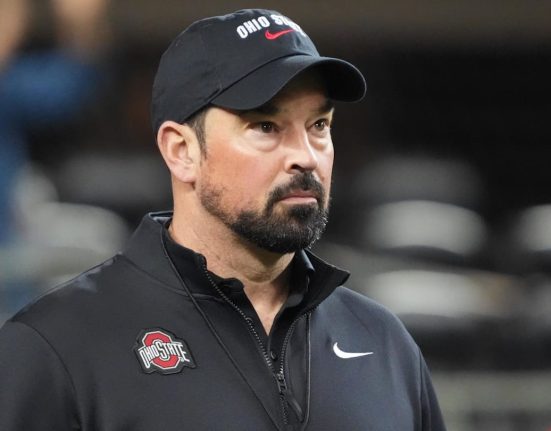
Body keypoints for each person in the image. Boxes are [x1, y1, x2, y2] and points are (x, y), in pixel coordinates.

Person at [0, 9, 446, 431]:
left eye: (319, 126)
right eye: (265, 127)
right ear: (182, 151)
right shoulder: (57, 345)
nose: (306, 157)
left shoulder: (383, 342)